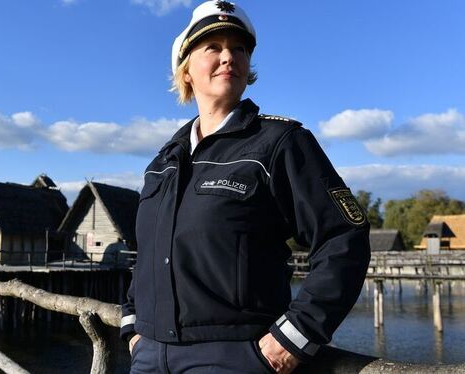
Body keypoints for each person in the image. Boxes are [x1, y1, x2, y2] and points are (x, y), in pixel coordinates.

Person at [120, 1, 371, 373]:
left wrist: (295, 336)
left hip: (232, 357)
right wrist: (133, 326)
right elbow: (148, 254)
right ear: (185, 69)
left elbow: (343, 237)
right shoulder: (163, 162)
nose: (229, 57)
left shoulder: (280, 142)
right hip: (149, 355)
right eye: (213, 48)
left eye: (239, 49)